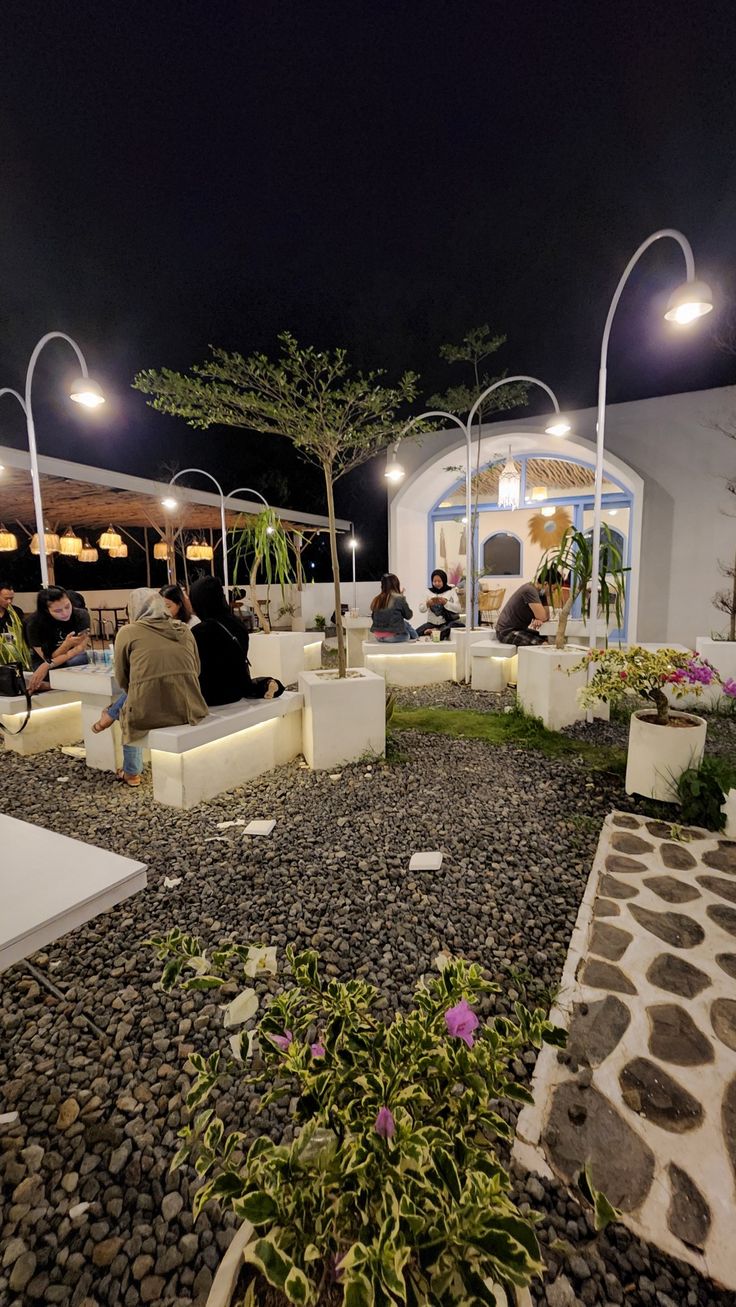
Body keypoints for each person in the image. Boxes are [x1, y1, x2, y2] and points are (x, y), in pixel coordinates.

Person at [111, 588, 208, 786]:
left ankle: (132, 773)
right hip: (190, 707)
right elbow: (196, 668)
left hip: (149, 713)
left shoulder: (128, 632)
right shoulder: (183, 629)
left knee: (128, 712)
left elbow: (122, 677)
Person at [188, 575, 283, 704]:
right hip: (237, 691)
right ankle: (267, 684)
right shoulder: (238, 624)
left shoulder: (199, 632)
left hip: (209, 697)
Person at [25, 586, 91, 693]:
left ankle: (51, 685)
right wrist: (66, 645)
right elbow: (47, 658)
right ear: (46, 610)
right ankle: (58, 684)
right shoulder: (33, 624)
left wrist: (49, 664)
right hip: (44, 662)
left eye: (67, 606)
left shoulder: (81, 615)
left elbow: (80, 649)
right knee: (46, 671)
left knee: (82, 659)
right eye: (58, 611)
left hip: (67, 660)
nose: (65, 613)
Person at [495, 579, 550, 646]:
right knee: (543, 644)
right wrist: (540, 618)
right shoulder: (530, 590)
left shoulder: (541, 592)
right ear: (546, 584)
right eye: (554, 588)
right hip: (506, 631)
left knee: (548, 638)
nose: (554, 591)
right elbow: (543, 617)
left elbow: (546, 617)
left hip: (520, 629)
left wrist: (539, 618)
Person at [416, 569, 463, 640]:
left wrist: (446, 603)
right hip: (431, 623)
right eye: (434, 581)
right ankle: (434, 630)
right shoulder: (428, 592)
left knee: (453, 627)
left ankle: (436, 632)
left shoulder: (450, 591)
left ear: (444, 581)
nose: (437, 583)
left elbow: (458, 609)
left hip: (446, 623)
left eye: (439, 581)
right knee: (415, 633)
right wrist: (427, 604)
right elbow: (421, 609)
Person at [369, 574, 418, 642]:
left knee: (405, 623)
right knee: (407, 632)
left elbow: (373, 617)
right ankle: (416, 637)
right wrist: (402, 598)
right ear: (396, 584)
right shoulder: (399, 598)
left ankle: (416, 636)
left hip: (378, 637)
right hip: (392, 637)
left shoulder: (377, 599)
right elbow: (409, 615)